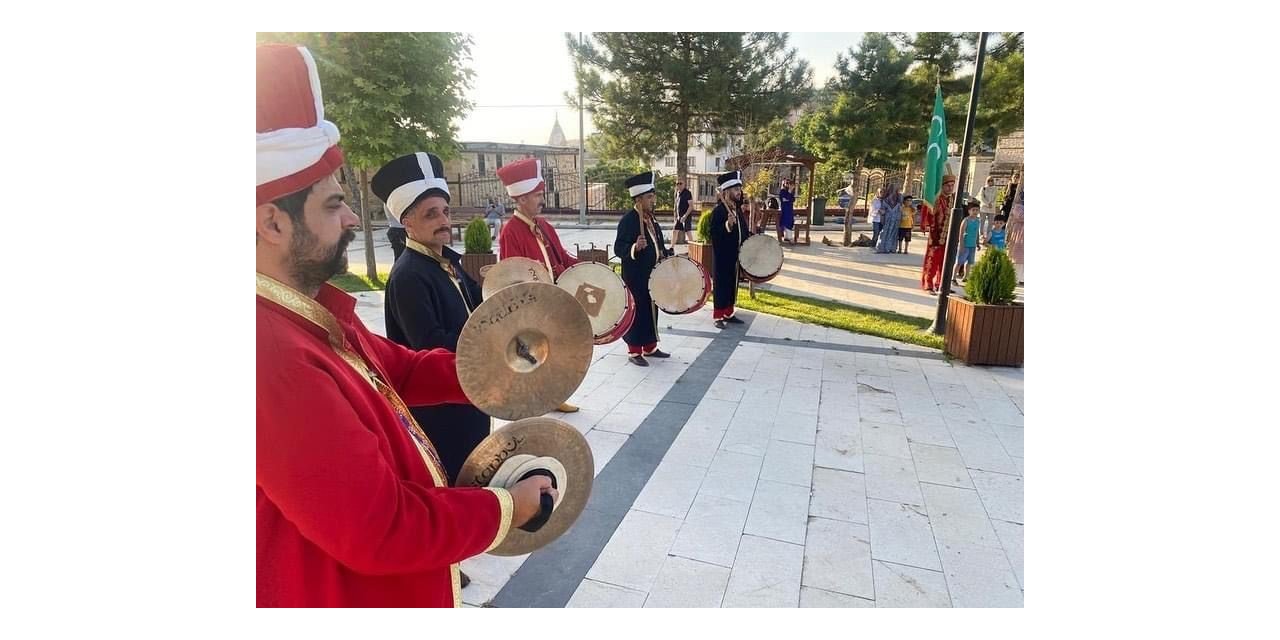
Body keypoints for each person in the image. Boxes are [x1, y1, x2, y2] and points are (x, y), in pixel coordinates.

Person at [255, 43, 552, 608]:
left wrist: (506, 368)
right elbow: (381, 528)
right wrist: (507, 506)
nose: (349, 218)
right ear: (271, 221)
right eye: (332, 204)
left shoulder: (306, 311)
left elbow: (406, 369)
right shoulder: (270, 357)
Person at [495, 157, 581, 413]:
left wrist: (586, 269)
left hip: (554, 303)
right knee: (538, 356)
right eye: (537, 195)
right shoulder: (510, 232)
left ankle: (554, 397)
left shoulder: (543, 225)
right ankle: (539, 399)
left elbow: (563, 259)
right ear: (521, 199)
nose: (542, 199)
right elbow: (512, 276)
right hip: (533, 308)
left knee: (557, 355)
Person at [615, 172, 674, 366]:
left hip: (653, 275)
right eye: (649, 197)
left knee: (651, 311)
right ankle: (634, 351)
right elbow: (618, 248)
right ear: (639, 199)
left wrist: (664, 254)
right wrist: (634, 247)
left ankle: (650, 347)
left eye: (652, 196)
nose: (653, 200)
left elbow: (658, 242)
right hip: (636, 277)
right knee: (638, 312)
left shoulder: (651, 219)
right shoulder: (629, 220)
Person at [709, 171, 753, 328]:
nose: (739, 192)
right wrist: (727, 225)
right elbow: (713, 234)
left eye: (739, 189)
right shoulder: (719, 211)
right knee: (721, 285)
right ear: (726, 192)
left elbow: (743, 231)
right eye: (735, 189)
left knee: (732, 285)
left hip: (736, 255)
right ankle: (718, 316)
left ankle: (729, 312)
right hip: (723, 256)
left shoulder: (737, 209)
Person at [921, 173, 957, 293]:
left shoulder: (953, 199)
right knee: (933, 260)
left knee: (945, 261)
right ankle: (928, 284)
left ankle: (942, 284)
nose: (950, 188)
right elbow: (930, 215)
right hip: (936, 234)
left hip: (948, 236)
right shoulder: (937, 199)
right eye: (948, 185)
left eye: (952, 185)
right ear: (942, 186)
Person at [953, 201, 982, 283]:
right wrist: (961, 245)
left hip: (972, 245)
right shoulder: (966, 220)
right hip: (965, 244)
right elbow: (961, 233)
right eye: (973, 210)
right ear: (969, 211)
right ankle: (953, 278)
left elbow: (977, 232)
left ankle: (966, 277)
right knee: (959, 262)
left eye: (977, 210)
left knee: (969, 262)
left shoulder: (977, 221)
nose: (975, 212)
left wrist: (977, 243)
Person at [874, 182, 903, 254]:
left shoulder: (899, 197)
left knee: (894, 232)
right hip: (888, 217)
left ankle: (891, 248)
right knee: (885, 232)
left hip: (896, 217)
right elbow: (882, 208)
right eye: (893, 188)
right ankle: (882, 247)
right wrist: (882, 216)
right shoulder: (886, 198)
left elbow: (901, 207)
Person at [1006, 180, 1025, 284]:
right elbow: (1021, 217)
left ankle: (1022, 278)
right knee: (1017, 258)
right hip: (1019, 235)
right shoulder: (1018, 207)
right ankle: (1015, 278)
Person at [672, 180, 693, 245]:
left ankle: (693, 248)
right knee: (675, 231)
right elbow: (676, 206)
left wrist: (685, 216)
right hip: (679, 217)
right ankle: (672, 248)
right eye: (677, 184)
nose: (679, 185)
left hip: (686, 216)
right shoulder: (677, 193)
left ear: (684, 184)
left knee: (688, 232)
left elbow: (691, 206)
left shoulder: (688, 193)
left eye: (680, 183)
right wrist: (675, 216)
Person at [778, 178, 796, 243]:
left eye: (789, 183)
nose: (788, 185)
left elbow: (793, 199)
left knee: (790, 222)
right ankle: (790, 237)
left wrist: (789, 196)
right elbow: (784, 199)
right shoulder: (782, 191)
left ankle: (787, 237)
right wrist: (789, 193)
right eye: (787, 183)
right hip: (785, 210)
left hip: (790, 209)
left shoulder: (790, 191)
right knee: (786, 222)